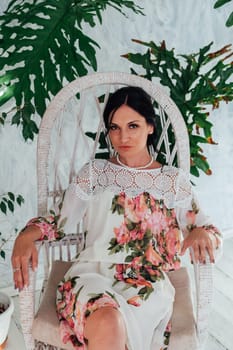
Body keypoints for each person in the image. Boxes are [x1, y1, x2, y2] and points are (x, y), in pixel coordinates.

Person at [11, 86, 222, 350]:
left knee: (118, 324)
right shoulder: (95, 174)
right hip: (91, 275)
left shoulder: (172, 182)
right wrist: (29, 233)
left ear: (150, 127)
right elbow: (58, 222)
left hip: (147, 285)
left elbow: (207, 229)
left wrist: (203, 233)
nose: (122, 136)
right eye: (114, 127)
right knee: (108, 320)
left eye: (133, 126)